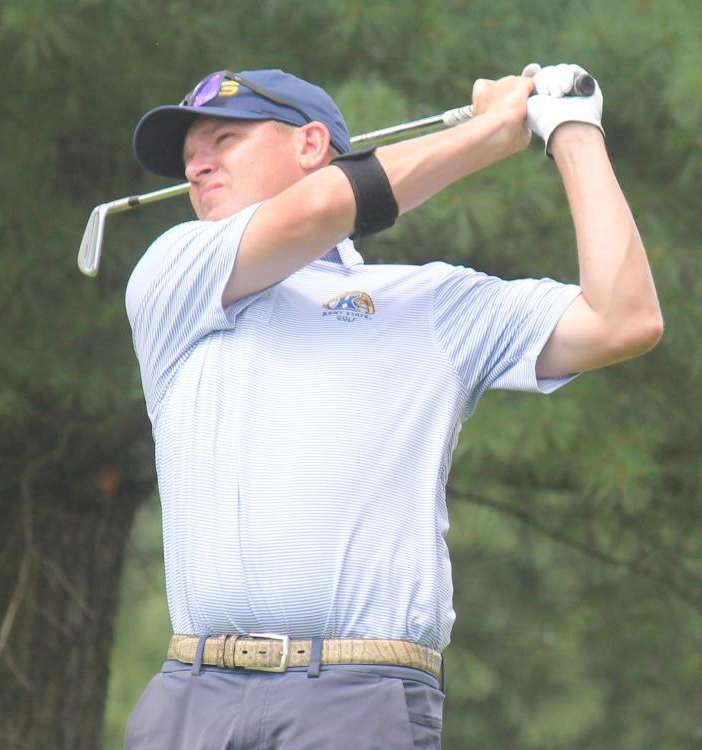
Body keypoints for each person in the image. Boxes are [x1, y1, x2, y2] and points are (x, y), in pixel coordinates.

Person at [122, 65, 662, 749]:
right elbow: (317, 211)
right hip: (190, 694)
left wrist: (573, 128)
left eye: (223, 139)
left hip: (356, 696)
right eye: (188, 156)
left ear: (312, 145)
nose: (196, 165)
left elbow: (623, 319)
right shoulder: (175, 273)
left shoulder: (433, 302)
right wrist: (492, 136)